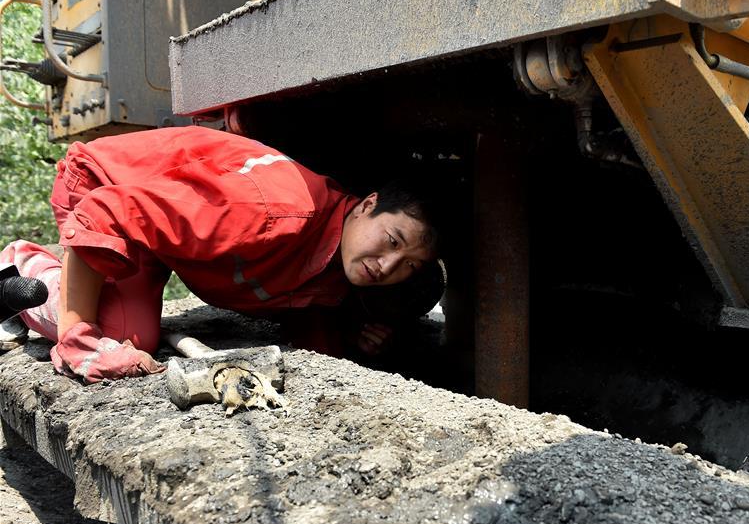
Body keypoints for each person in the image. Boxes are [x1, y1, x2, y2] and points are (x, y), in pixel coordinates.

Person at [0, 125, 442, 383]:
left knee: (132, 334)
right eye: (393, 241)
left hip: (157, 220)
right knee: (124, 338)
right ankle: (23, 268)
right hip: (104, 183)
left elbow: (310, 314)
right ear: (367, 204)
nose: (387, 266)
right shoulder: (269, 213)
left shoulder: (337, 255)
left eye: (408, 266)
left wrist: (357, 340)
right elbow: (105, 211)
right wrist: (77, 335)